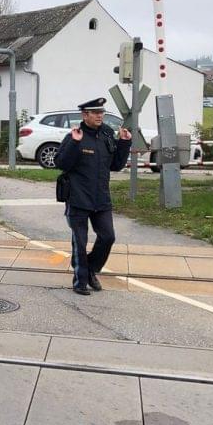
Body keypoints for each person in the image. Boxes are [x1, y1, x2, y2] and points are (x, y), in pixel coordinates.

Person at [55, 97, 132, 295]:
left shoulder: (106, 134)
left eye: (101, 112)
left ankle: (90, 270)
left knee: (108, 237)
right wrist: (74, 143)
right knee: (80, 242)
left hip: (101, 198)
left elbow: (116, 165)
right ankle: (80, 282)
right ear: (85, 115)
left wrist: (124, 143)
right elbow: (61, 163)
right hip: (78, 198)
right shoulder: (75, 136)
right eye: (95, 113)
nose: (100, 116)